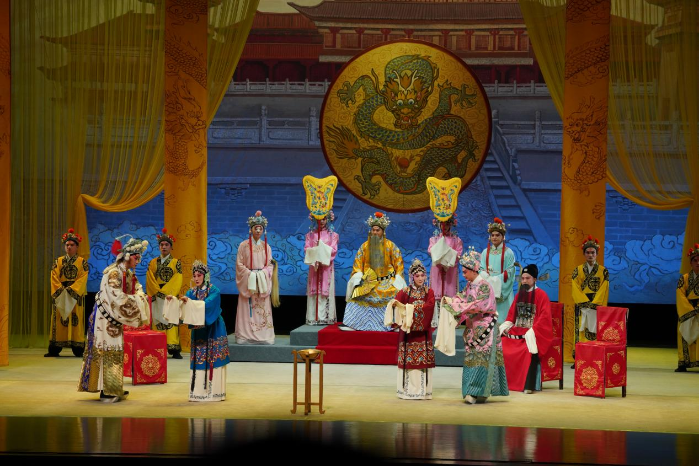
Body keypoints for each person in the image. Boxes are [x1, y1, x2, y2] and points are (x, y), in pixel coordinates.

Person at [78, 236, 150, 402]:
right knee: (108, 350)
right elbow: (117, 298)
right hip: (104, 318)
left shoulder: (127, 273)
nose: (138, 261)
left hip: (113, 317)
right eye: (136, 257)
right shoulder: (114, 273)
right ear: (127, 256)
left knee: (115, 351)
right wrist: (139, 300)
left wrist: (139, 295)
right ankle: (107, 391)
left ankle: (113, 388)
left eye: (139, 257)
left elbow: (137, 288)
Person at [441, 249, 509, 404]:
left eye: (465, 272)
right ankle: (476, 392)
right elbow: (460, 297)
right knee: (472, 359)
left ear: (473, 270)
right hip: (473, 327)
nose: (463, 274)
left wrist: (458, 307)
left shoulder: (484, 286)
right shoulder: (469, 285)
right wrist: (451, 301)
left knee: (482, 360)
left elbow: (478, 305)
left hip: (485, 326)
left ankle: (475, 392)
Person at [344, 212, 406, 331]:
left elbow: (399, 265)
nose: (375, 232)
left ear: (383, 231)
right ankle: (355, 324)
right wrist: (358, 277)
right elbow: (357, 264)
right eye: (373, 230)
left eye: (378, 230)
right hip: (368, 280)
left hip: (386, 281)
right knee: (357, 292)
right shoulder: (364, 247)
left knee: (395, 293)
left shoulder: (391, 246)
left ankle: (394, 324)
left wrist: (397, 280)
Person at [499, 264, 553, 393]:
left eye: (527, 278)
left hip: (532, 332)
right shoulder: (519, 295)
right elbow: (511, 315)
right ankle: (501, 384)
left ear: (535, 279)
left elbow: (544, 318)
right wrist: (505, 327)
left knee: (528, 349)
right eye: (522, 278)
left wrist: (532, 331)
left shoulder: (542, 295)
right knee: (501, 345)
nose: (524, 281)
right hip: (517, 331)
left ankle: (528, 385)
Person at [181, 260, 230, 401]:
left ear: (205, 276)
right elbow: (185, 306)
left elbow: (208, 304)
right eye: (194, 276)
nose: (196, 278)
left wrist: (190, 303)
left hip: (214, 327)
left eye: (199, 275)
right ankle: (198, 393)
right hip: (199, 331)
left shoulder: (214, 291)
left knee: (214, 358)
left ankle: (215, 393)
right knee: (199, 358)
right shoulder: (191, 292)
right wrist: (175, 301)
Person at [391, 259, 435, 400]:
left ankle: (423, 392)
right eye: (417, 276)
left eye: (423, 275)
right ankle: (406, 391)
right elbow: (396, 304)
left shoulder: (429, 292)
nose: (421, 278)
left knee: (422, 361)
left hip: (422, 333)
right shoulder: (404, 292)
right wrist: (395, 305)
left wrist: (409, 309)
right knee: (408, 361)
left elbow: (430, 307)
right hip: (408, 334)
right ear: (412, 277)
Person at [235, 210, 279, 344]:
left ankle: (264, 335)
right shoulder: (243, 245)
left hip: (261, 281)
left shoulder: (267, 247)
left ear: (263, 230)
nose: (258, 230)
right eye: (256, 228)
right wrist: (251, 275)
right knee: (247, 307)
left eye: (260, 228)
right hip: (248, 281)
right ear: (251, 229)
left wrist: (261, 274)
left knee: (262, 309)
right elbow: (239, 264)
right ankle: (244, 335)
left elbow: (270, 265)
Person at [46, 228, 89, 358]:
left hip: (75, 295)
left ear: (77, 247)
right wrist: (61, 291)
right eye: (67, 245)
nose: (69, 247)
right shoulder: (58, 261)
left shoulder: (82, 262)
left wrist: (71, 290)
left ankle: (78, 348)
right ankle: (55, 349)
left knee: (76, 320)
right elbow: (54, 276)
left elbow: (83, 278)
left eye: (72, 245)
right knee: (59, 320)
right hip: (61, 294)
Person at [571, 235, 609, 366]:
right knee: (581, 331)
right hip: (582, 305)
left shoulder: (603, 271)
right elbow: (575, 287)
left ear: (597, 254)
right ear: (584, 254)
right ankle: (579, 358)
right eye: (587, 252)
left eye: (593, 252)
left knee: (595, 331)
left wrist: (594, 303)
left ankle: (595, 357)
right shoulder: (578, 270)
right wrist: (583, 302)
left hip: (596, 305)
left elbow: (604, 288)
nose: (590, 255)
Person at [147, 228, 183, 359]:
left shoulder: (176, 263)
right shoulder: (153, 262)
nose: (164, 247)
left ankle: (174, 348)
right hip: (157, 295)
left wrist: (167, 292)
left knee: (171, 320)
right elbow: (150, 278)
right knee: (158, 320)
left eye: (166, 244)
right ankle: (158, 346)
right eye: (161, 244)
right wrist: (157, 292)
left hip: (170, 296)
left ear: (171, 247)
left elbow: (177, 278)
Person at [304, 211, 339, 325]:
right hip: (315, 266)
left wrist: (322, 250)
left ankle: (324, 317)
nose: (322, 222)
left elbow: (333, 250)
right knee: (314, 290)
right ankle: (313, 317)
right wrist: (315, 255)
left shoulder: (333, 235)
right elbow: (307, 249)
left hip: (326, 267)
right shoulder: (310, 235)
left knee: (325, 290)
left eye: (324, 219)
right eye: (319, 219)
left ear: (328, 219)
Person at [428, 215, 463, 328]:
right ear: (438, 224)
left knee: (450, 293)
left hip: (450, 270)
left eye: (447, 223)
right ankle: (436, 319)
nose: (445, 226)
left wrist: (446, 259)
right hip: (437, 269)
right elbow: (431, 251)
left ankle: (450, 319)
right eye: (442, 224)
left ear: (451, 224)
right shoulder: (434, 239)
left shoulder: (456, 240)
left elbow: (458, 254)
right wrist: (441, 258)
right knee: (437, 293)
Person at [481, 218, 516, 317]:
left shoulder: (508, 252)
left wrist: (496, 280)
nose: (494, 237)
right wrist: (489, 279)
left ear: (503, 237)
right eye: (492, 235)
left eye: (497, 235)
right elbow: (481, 269)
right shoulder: (485, 252)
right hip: (488, 287)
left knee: (504, 319)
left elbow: (510, 271)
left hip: (503, 290)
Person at [676, 243, 699, 372]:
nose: (698, 263)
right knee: (683, 335)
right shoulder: (684, 278)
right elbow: (680, 295)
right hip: (687, 311)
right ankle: (683, 362)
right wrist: (690, 310)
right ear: (690, 263)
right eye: (695, 260)